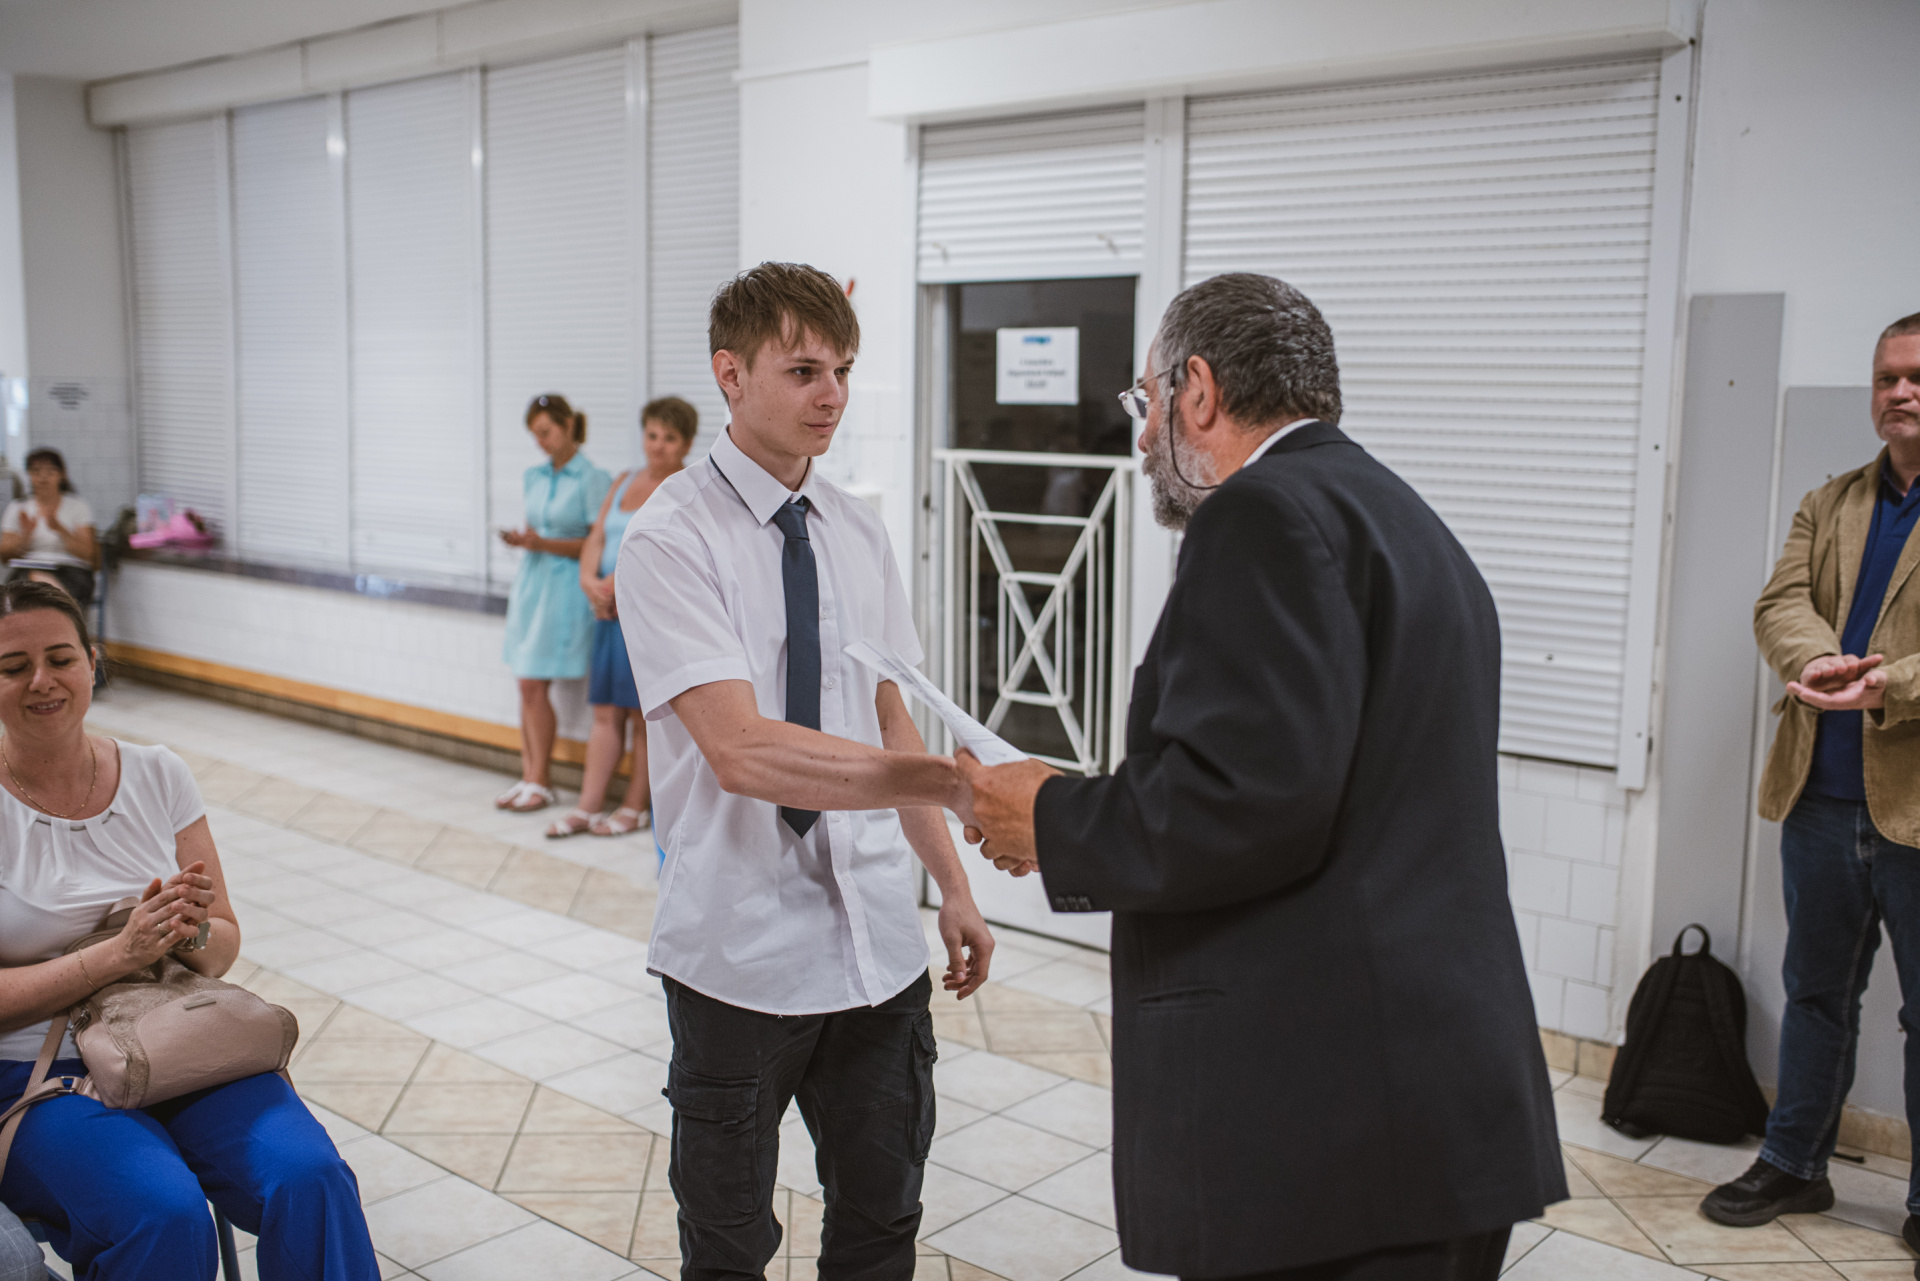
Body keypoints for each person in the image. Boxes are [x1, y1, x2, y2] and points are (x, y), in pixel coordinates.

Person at [957, 273, 1566, 1281]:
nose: (1142, 439)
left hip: (1332, 1128)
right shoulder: (1396, 514)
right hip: (1436, 1109)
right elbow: (1307, 775)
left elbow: (1241, 804)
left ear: (1197, 390)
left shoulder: (1261, 515)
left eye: (1147, 402)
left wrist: (1050, 815)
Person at [616, 262, 994, 1279]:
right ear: (729, 375)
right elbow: (742, 751)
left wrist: (951, 884)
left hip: (876, 947)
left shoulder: (857, 528)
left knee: (882, 1222)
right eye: (803, 371)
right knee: (730, 1244)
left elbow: (888, 715)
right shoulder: (669, 538)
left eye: (843, 370)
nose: (831, 394)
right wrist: (957, 785)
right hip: (738, 952)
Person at [0, 580, 377, 1280]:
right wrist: (120, 953)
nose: (42, 681)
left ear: (92, 661)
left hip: (170, 1043)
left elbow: (222, 942)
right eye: (13, 667)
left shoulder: (157, 772)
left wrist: (188, 931)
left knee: (310, 1176)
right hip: (37, 1071)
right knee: (163, 1211)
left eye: (61, 658)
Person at [1711, 313, 1920, 1235]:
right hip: (1821, 799)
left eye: (1916, 376)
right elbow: (1781, 600)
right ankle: (1795, 1165)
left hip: (1916, 810)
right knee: (1816, 994)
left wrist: (1890, 683)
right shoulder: (1830, 501)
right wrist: (1819, 658)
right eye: (1885, 377)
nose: (1900, 392)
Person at [547, 397, 697, 839]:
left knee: (643, 716)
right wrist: (589, 582)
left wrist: (618, 582)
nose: (658, 445)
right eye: (652, 435)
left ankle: (635, 807)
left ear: (687, 443)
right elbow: (597, 536)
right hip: (609, 615)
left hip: (650, 617)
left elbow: (668, 550)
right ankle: (588, 806)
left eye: (670, 438)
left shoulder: (686, 488)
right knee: (606, 711)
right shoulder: (624, 480)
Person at [496, 393, 611, 814]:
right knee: (524, 684)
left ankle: (541, 780)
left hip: (564, 591)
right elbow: (537, 529)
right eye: (535, 435)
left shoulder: (592, 478)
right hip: (533, 584)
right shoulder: (534, 476)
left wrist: (543, 543)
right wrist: (524, 540)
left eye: (546, 432)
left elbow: (596, 541)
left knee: (533, 684)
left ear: (568, 426)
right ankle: (529, 776)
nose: (540, 442)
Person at [0, 450, 97, 608]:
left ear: (62, 475)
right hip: (28, 569)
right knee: (29, 583)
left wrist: (59, 528)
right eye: (36, 471)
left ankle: (58, 609)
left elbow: (88, 554)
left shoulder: (78, 506)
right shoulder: (18, 507)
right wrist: (25, 536)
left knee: (36, 591)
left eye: (50, 471)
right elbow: (4, 556)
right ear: (29, 475)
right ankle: (62, 611)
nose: (43, 477)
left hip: (70, 571)